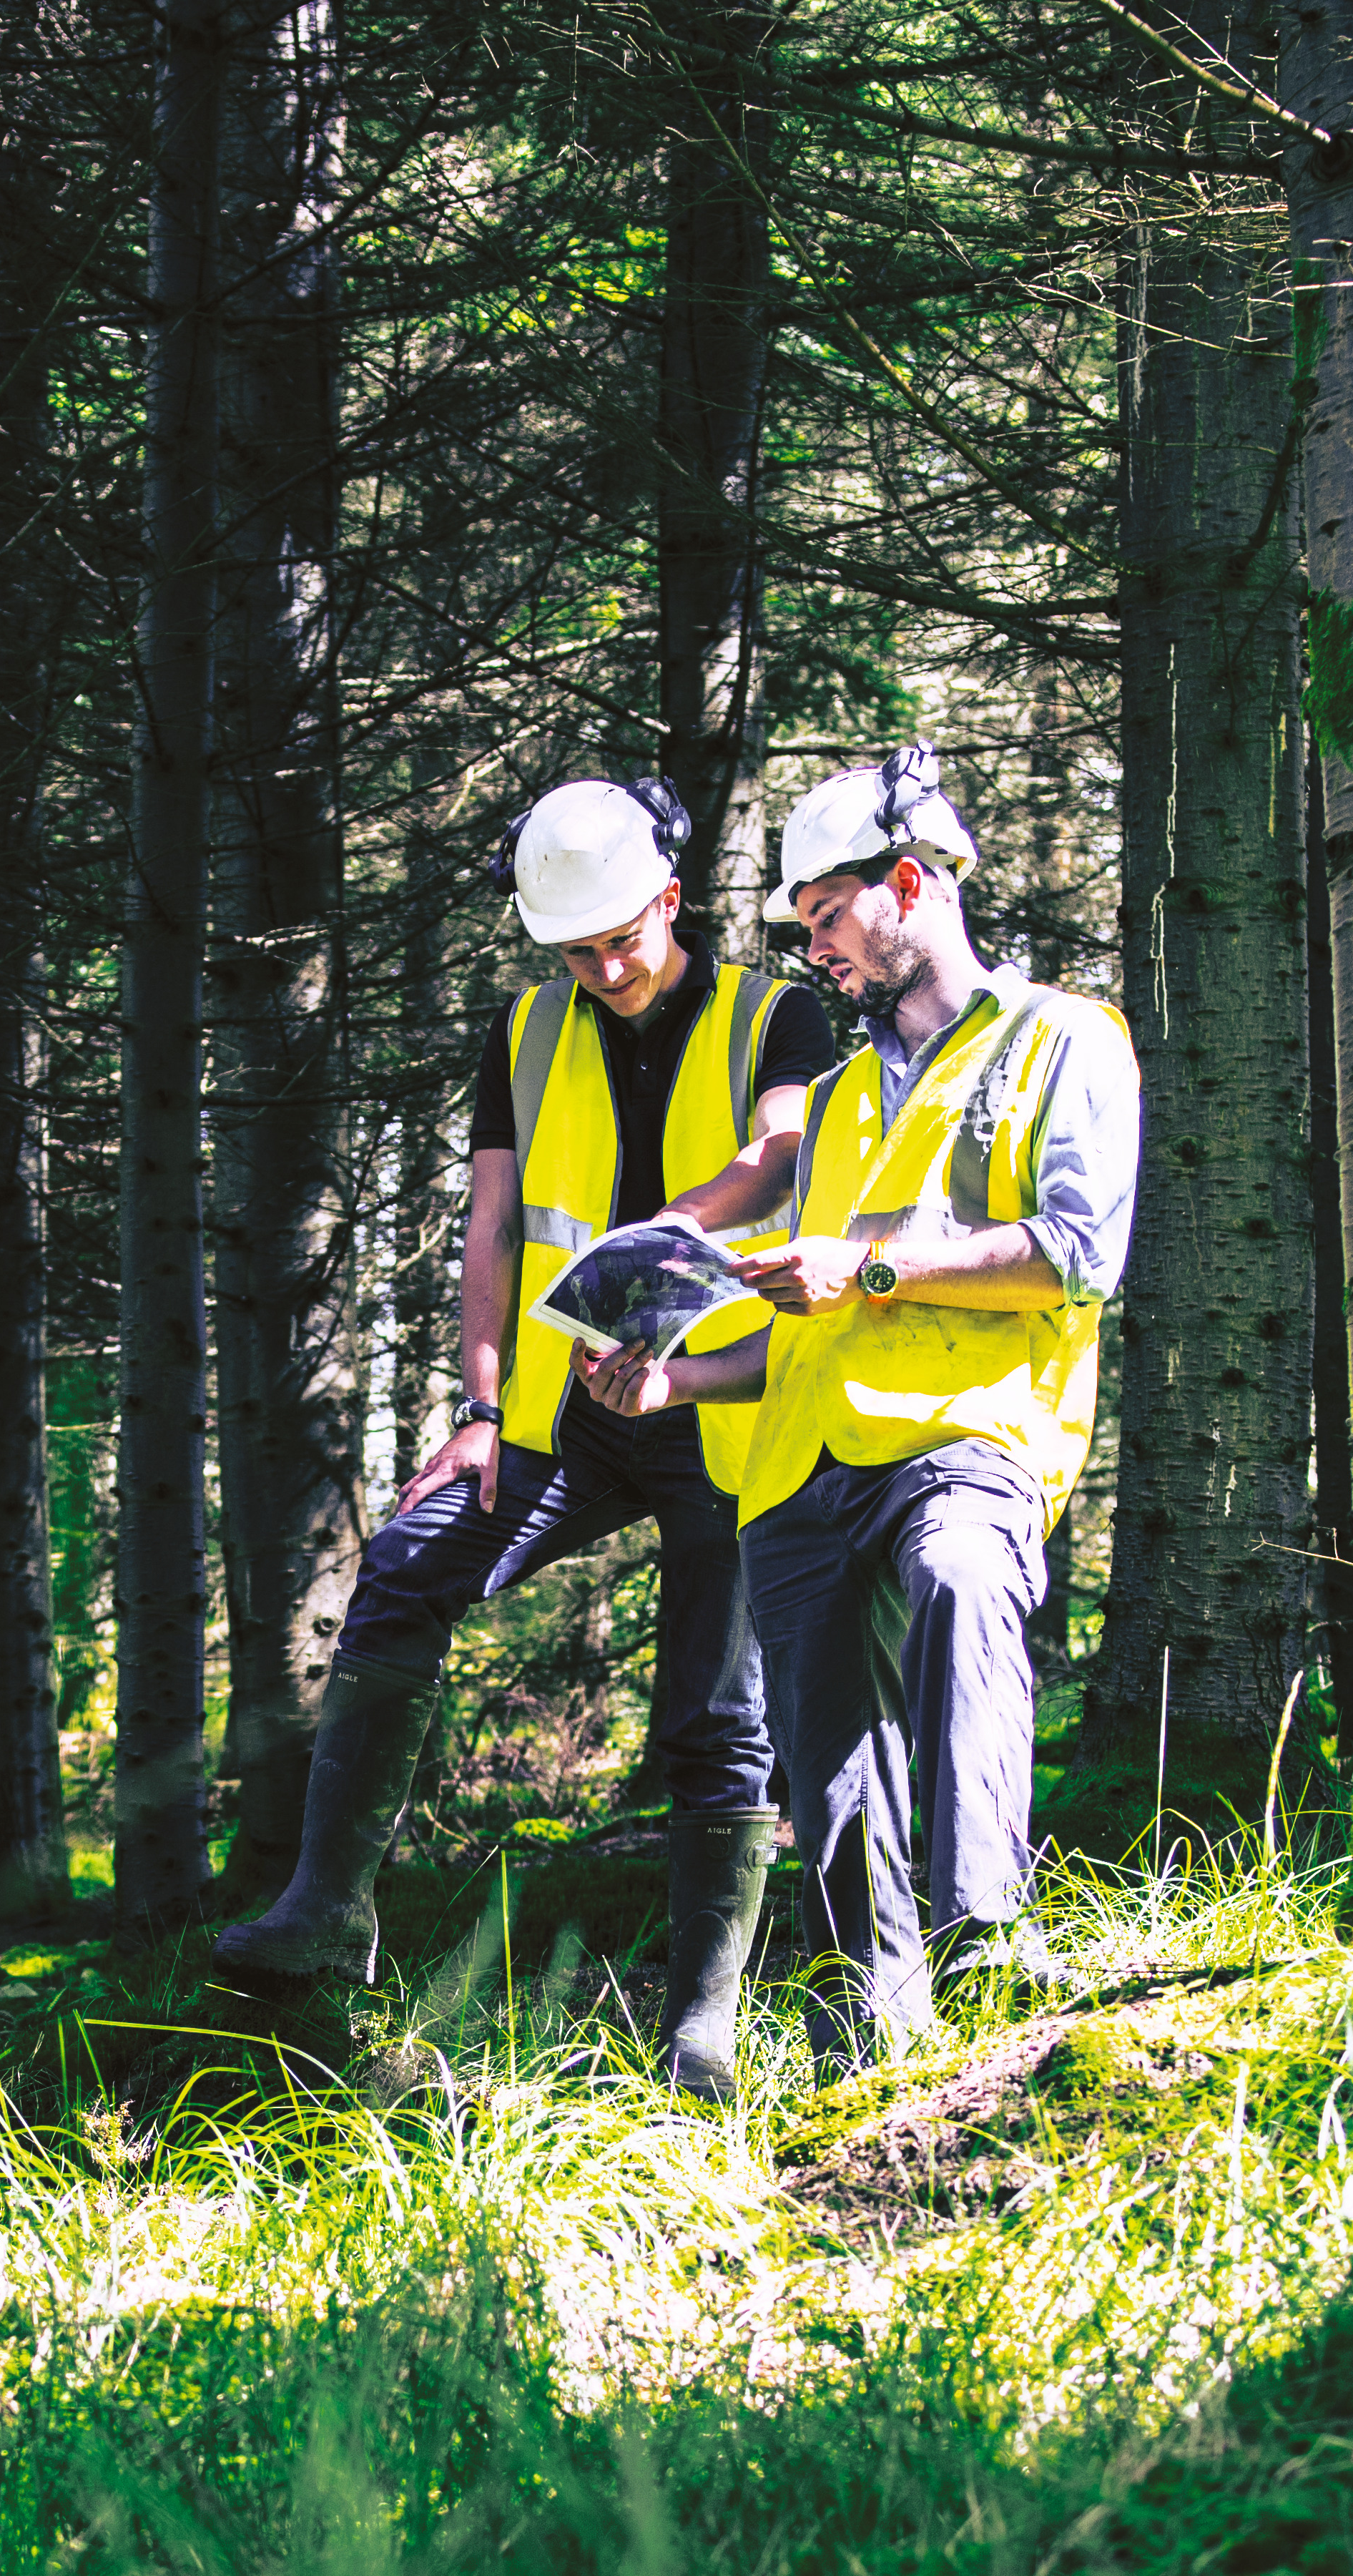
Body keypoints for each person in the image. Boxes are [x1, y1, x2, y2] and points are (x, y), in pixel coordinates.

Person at [210, 773, 843, 2074]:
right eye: (577, 950)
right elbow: (492, 1227)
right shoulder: (526, 1031)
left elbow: (785, 1155)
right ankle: (327, 1916)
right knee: (403, 1570)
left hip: (724, 1405)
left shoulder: (778, 1014)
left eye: (624, 937)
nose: (606, 967)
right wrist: (482, 1408)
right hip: (567, 1411)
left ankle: (703, 2024)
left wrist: (678, 1228)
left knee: (718, 1720)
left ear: (672, 899)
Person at [579, 745, 1139, 2075]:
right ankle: (872, 2042)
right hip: (799, 1471)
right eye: (806, 929)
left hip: (968, 1438)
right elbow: (811, 1333)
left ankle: (987, 1944)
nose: (815, 949)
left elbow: (1078, 1253)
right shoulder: (828, 1110)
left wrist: (868, 1263)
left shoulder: (1062, 1037)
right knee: (825, 1770)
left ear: (907, 886)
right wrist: (676, 1376)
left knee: (957, 1584)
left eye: (828, 918)